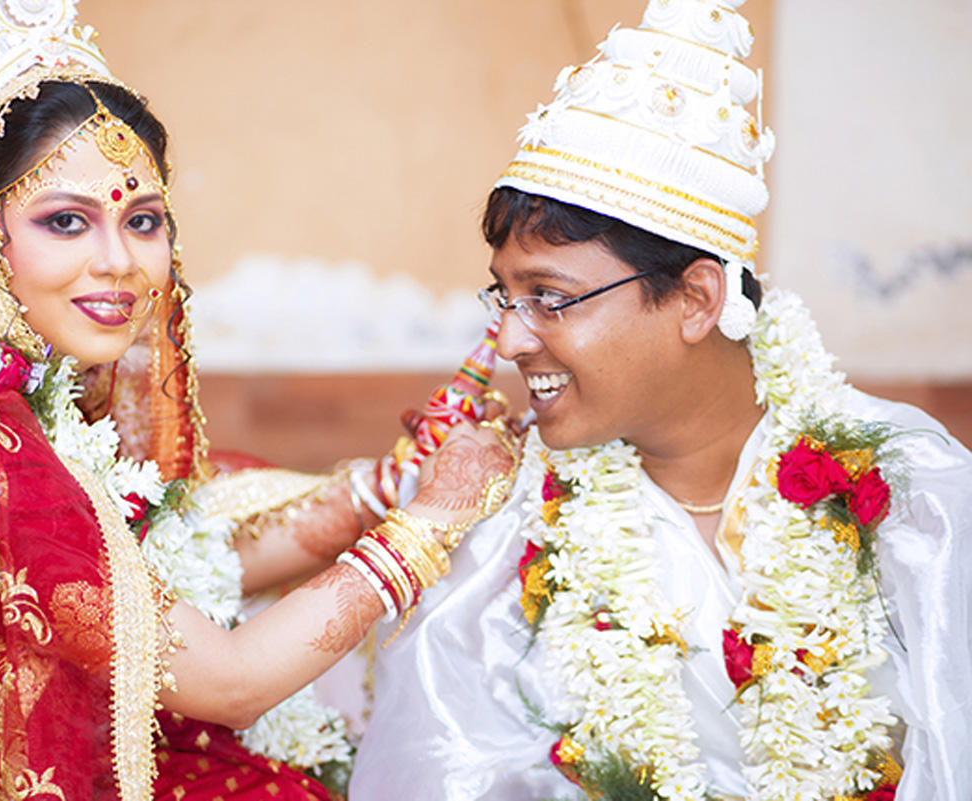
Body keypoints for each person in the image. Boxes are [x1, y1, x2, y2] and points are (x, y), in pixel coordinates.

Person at [0, 3, 518, 800]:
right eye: (66, 221)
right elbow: (229, 681)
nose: (118, 261)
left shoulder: (26, 386)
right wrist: (434, 517)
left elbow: (158, 561)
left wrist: (385, 490)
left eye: (143, 220)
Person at [350, 1, 972, 799]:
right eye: (504, 295)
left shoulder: (913, 497)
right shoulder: (509, 529)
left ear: (696, 298)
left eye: (549, 296)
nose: (509, 340)